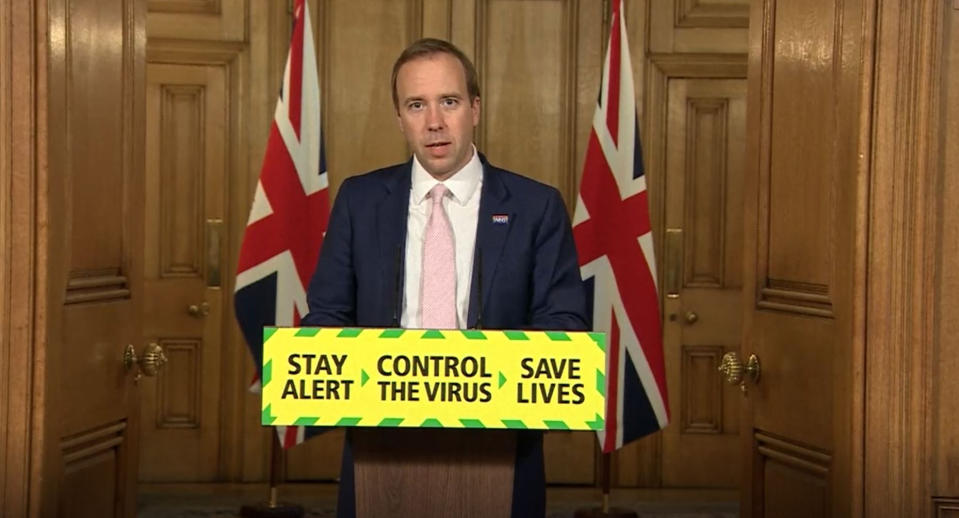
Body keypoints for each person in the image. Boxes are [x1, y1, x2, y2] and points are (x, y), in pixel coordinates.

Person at [302, 37, 589, 518]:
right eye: (416, 105)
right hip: (380, 453)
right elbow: (327, 316)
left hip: (500, 455)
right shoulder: (360, 201)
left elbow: (564, 327)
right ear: (399, 117)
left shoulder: (536, 207)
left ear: (475, 108)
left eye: (448, 102)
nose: (434, 122)